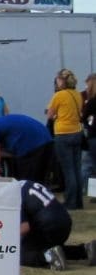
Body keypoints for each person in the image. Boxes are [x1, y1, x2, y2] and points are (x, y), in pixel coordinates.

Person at [16, 180, 96, 270]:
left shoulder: (14, 194)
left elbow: (25, 227)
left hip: (48, 226)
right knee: (50, 249)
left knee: (17, 252)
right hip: (65, 222)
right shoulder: (24, 183)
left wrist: (5, 240)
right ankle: (84, 251)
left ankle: (49, 258)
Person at [46, 68, 84, 210]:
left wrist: (55, 115)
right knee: (76, 168)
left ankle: (70, 201)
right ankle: (78, 200)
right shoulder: (77, 95)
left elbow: (50, 115)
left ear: (61, 80)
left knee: (67, 170)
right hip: (77, 132)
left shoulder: (59, 95)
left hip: (63, 133)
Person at [0, 114, 54, 185]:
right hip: (47, 139)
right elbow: (9, 154)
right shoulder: (3, 121)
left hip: (32, 146)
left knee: (27, 182)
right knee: (41, 180)